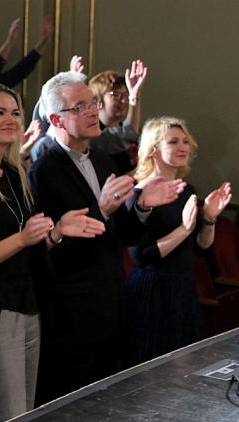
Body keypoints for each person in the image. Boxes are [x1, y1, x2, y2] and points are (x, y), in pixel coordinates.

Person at [0, 83, 105, 422]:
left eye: (15, 112)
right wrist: (22, 239)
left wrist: (56, 232)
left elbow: (31, 246)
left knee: (24, 420)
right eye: (0, 112)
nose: (11, 119)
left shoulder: (14, 173)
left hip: (29, 305)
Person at [28, 72, 185, 401]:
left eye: (93, 103)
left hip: (112, 300)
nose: (92, 111)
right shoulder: (44, 170)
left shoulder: (101, 161)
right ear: (56, 119)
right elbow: (49, 249)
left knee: (111, 401)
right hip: (72, 308)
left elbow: (122, 234)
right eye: (80, 106)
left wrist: (141, 206)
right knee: (72, 405)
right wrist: (102, 209)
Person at [124, 117, 231, 363]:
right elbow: (142, 257)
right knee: (151, 368)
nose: (183, 147)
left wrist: (210, 218)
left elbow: (202, 247)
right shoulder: (139, 194)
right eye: (173, 142)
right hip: (152, 289)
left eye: (185, 141)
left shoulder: (187, 190)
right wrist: (183, 229)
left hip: (183, 285)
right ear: (153, 150)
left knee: (186, 366)